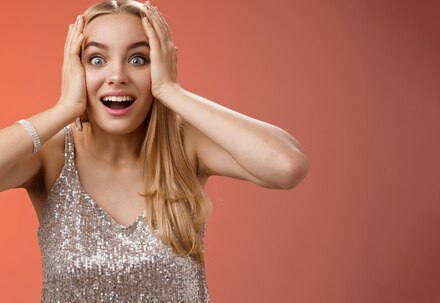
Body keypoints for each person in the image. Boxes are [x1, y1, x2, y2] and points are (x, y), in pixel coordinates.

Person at [0, 0, 309, 301]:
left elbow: (287, 165)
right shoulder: (52, 155)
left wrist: (171, 91)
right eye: (96, 59)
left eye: (138, 59)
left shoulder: (185, 145)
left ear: (160, 66)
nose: (117, 75)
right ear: (74, 70)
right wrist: (65, 108)